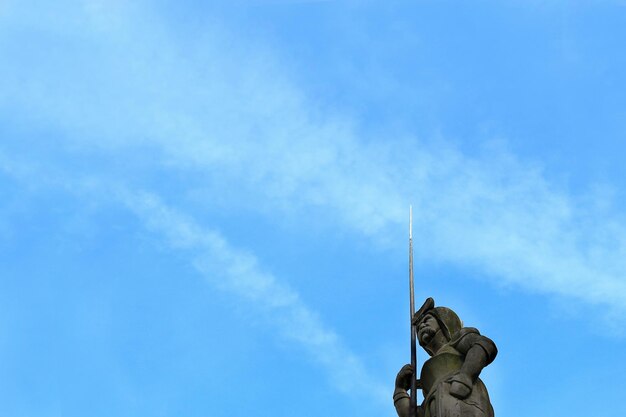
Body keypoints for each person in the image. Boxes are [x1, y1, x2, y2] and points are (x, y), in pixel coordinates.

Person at [393, 298, 497, 417]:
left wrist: (466, 375)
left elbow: (484, 345)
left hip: (466, 404)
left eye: (427, 320)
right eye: (418, 328)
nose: (422, 325)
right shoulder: (427, 373)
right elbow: (413, 415)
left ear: (443, 321)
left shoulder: (456, 343)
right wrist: (400, 390)